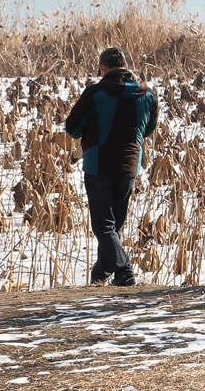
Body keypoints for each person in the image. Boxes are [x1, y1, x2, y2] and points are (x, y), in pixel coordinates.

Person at [64, 46, 159, 286]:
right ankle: (101, 275)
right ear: (126, 67)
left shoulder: (95, 93)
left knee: (103, 225)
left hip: (98, 165)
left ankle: (125, 272)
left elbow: (72, 127)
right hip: (129, 167)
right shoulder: (147, 95)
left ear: (103, 68)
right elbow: (148, 130)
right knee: (114, 225)